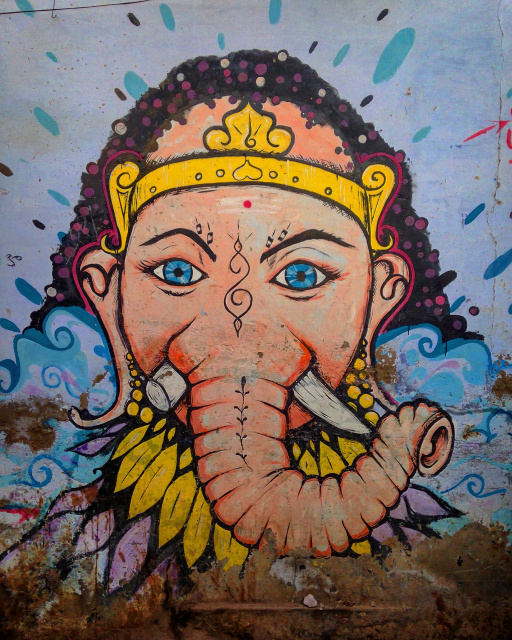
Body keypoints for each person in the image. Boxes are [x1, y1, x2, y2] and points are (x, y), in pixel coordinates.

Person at [3, 50, 462, 596]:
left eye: (302, 275)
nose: (236, 322)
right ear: (107, 290)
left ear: (380, 296)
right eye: (176, 271)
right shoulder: (61, 559)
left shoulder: (437, 572)